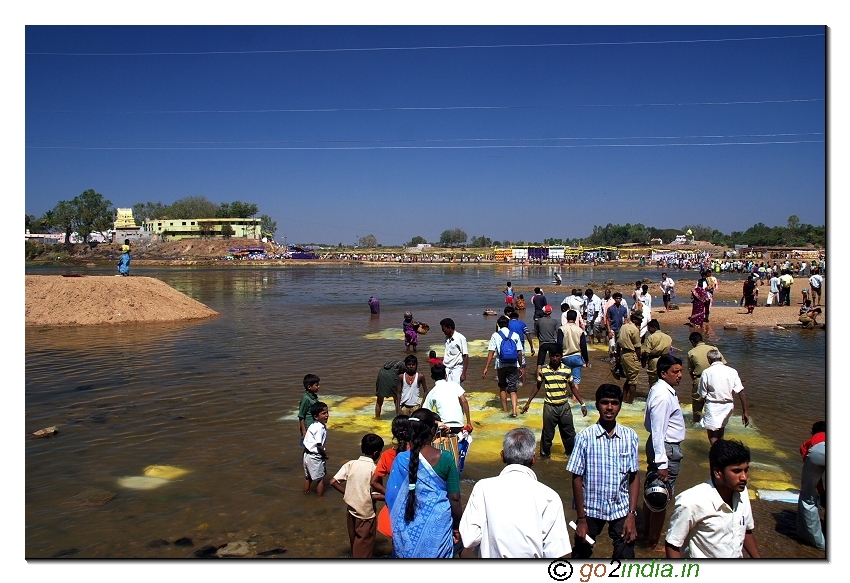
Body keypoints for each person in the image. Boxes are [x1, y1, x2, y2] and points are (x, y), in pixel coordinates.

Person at [458, 428, 571, 558]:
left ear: (503, 456)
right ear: (534, 459)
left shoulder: (482, 488)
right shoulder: (550, 496)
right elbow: (555, 551)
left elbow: (469, 537)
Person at [567, 384, 640, 559]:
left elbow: (634, 476)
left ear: (620, 405)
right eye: (604, 402)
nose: (609, 407)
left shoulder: (630, 436)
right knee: (580, 554)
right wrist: (581, 519)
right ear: (597, 404)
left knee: (626, 553)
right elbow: (576, 477)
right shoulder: (585, 437)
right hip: (590, 508)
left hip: (620, 507)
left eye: (614, 403)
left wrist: (631, 515)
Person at [385, 407, 462, 558]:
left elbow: (391, 496)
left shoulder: (400, 459)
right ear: (432, 431)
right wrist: (457, 527)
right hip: (439, 528)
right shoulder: (445, 457)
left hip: (405, 529)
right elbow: (455, 498)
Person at [665, 439, 761, 558]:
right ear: (718, 472)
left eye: (746, 470)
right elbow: (673, 543)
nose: (744, 477)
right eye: (737, 471)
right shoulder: (691, 501)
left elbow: (744, 530)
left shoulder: (742, 492)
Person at [643, 355, 686, 551]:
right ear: (663, 373)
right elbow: (658, 430)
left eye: (680, 371)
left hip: (662, 447)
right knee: (661, 495)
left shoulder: (660, 390)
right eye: (675, 372)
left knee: (652, 490)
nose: (680, 375)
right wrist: (662, 463)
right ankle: (652, 543)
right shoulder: (662, 395)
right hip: (666, 448)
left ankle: (647, 533)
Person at [521, 348, 587, 456]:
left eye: (557, 356)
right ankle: (545, 457)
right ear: (549, 357)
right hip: (550, 407)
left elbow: (573, 388)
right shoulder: (544, 370)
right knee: (547, 434)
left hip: (564, 406)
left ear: (561, 357)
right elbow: (537, 387)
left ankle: (571, 455)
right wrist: (528, 403)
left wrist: (582, 404)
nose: (555, 358)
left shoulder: (566, 370)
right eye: (553, 356)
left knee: (569, 433)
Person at [330, 433, 385, 558]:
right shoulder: (375, 469)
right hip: (366, 515)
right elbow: (376, 495)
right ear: (377, 453)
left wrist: (348, 492)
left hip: (351, 511)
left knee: (355, 545)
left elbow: (333, 482)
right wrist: (392, 497)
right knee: (364, 550)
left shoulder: (351, 464)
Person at [698, 350, 750, 444]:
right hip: (728, 406)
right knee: (721, 431)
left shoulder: (707, 372)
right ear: (721, 358)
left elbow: (702, 393)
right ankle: (721, 452)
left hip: (713, 406)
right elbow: (740, 392)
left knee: (713, 435)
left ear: (709, 360)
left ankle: (717, 455)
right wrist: (745, 412)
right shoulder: (732, 371)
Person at [483, 316, 524, 417]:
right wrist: (521, 366)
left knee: (502, 387)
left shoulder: (495, 335)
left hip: (500, 364)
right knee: (513, 388)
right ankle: (514, 411)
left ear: (498, 325)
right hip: (514, 364)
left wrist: (486, 367)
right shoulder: (515, 335)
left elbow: (491, 352)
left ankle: (505, 410)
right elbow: (519, 352)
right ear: (508, 324)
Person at [797, 421, 826, 550]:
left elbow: (814, 479)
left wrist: (821, 493)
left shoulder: (810, 442)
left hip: (818, 452)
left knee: (807, 497)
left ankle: (820, 543)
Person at [686, 332, 725, 424]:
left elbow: (691, 371)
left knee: (697, 406)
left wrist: (695, 381)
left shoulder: (691, 352)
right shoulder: (714, 348)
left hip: (699, 379)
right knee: (714, 404)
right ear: (702, 339)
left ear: (692, 341)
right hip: (716, 379)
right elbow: (724, 364)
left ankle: (696, 425)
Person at [423, 363, 472, 433]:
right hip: (459, 425)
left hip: (444, 427)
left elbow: (425, 413)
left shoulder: (432, 392)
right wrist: (468, 422)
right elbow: (464, 401)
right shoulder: (455, 385)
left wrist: (436, 422)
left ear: (432, 377)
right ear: (446, 376)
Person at [303, 401, 330, 496]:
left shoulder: (313, 425)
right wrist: (325, 455)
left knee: (308, 478)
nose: (327, 415)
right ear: (316, 416)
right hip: (315, 456)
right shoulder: (320, 428)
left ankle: (305, 494)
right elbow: (319, 445)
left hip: (307, 455)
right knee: (320, 479)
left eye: (327, 412)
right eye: (323, 413)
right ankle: (320, 498)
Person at [617, 311, 643, 405]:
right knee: (633, 381)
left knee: (629, 378)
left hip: (623, 354)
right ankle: (630, 402)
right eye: (640, 319)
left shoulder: (623, 327)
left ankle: (624, 399)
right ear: (635, 319)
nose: (641, 321)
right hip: (631, 355)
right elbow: (638, 347)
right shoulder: (635, 330)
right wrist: (639, 359)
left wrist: (618, 356)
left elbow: (618, 343)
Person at [642, 319, 673, 388]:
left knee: (653, 382)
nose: (648, 330)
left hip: (654, 360)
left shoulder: (651, 337)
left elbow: (647, 353)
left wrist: (643, 362)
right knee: (664, 380)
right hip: (665, 360)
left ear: (654, 328)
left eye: (649, 328)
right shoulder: (668, 337)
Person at [440, 318, 469, 384]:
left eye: (444, 329)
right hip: (447, 369)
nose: (442, 331)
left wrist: (463, 373)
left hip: (457, 370)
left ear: (449, 328)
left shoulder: (460, 338)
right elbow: (447, 355)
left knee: (457, 392)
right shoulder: (446, 339)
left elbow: (466, 356)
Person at [534, 305, 560, 374]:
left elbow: (536, 332)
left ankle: (538, 379)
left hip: (543, 344)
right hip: (552, 343)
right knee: (554, 362)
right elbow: (558, 333)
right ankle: (555, 375)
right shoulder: (555, 321)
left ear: (543, 312)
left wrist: (539, 338)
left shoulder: (539, 321)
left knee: (540, 363)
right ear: (551, 312)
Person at [298, 374, 321, 442]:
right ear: (309, 387)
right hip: (309, 427)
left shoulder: (313, 396)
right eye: (316, 385)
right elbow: (301, 416)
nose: (319, 387)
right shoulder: (306, 399)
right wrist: (304, 431)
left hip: (314, 425)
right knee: (310, 446)